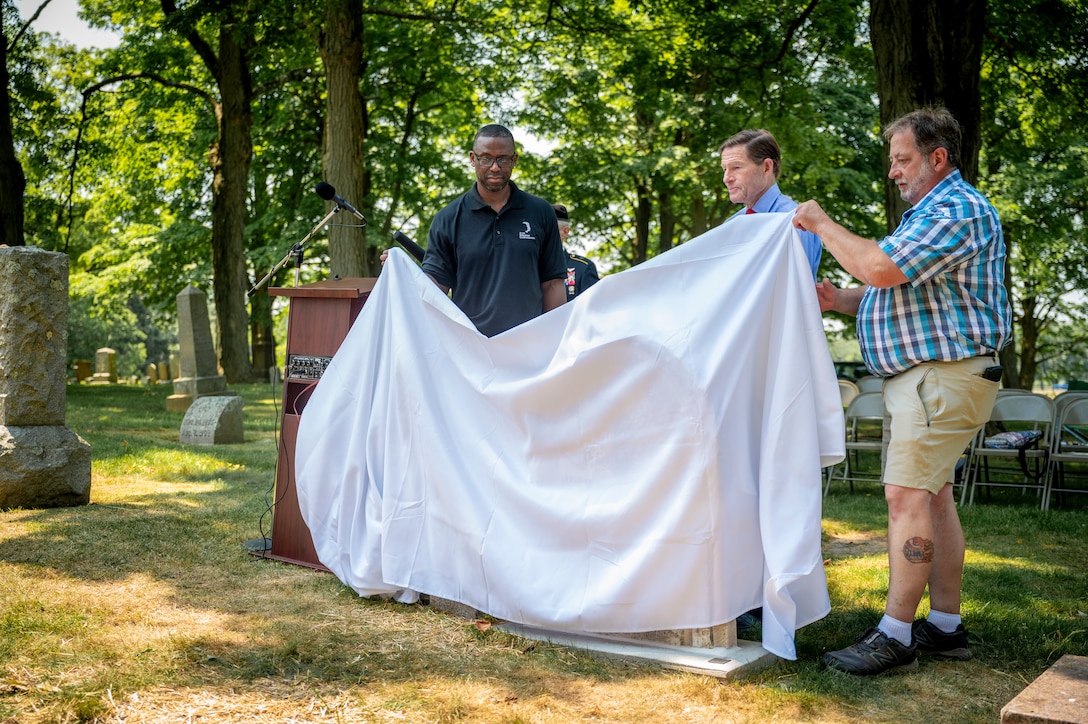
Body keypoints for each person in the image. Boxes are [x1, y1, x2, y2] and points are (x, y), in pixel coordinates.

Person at [793, 107, 1012, 676]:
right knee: (933, 497)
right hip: (931, 378)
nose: (893, 171)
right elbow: (897, 291)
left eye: (902, 159)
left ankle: (894, 636)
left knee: (905, 497)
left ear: (938, 158)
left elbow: (882, 270)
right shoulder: (927, 215)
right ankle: (943, 626)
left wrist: (819, 222)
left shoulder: (954, 208)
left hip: (941, 377)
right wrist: (837, 300)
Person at [384, 124, 567, 337]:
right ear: (473, 159)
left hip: (529, 344)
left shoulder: (540, 212)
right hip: (469, 347)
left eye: (503, 158)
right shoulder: (448, 219)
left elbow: (553, 284)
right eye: (486, 158)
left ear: (514, 160)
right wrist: (403, 269)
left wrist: (555, 339)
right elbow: (435, 291)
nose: (495, 167)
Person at [719, 129, 822, 280]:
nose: (726, 178)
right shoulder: (731, 224)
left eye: (736, 167)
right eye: (724, 169)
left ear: (766, 167)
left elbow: (795, 289)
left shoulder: (796, 222)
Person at [551, 203, 599, 301]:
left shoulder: (583, 268)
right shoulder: (528, 267)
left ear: (565, 232)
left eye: (549, 229)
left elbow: (592, 309)